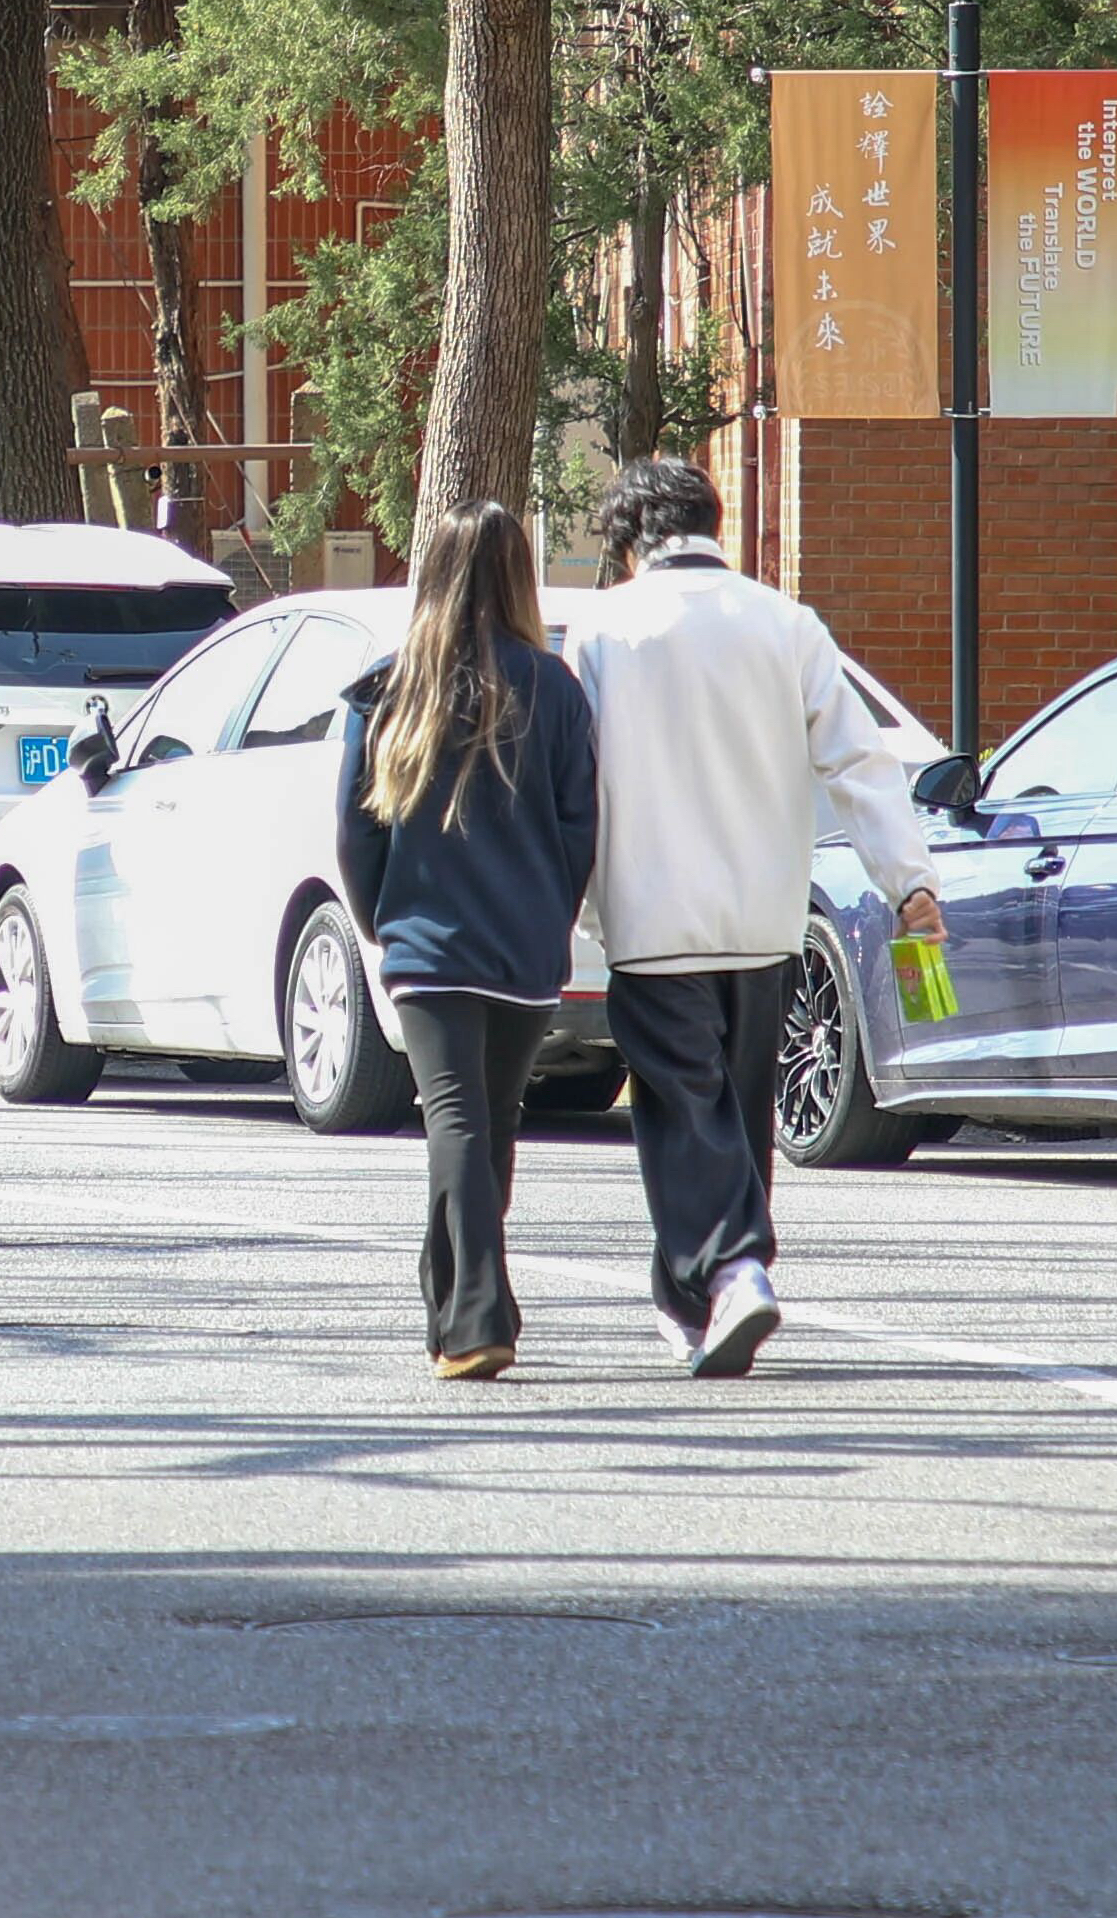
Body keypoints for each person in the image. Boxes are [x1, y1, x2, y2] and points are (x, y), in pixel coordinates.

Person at [550, 458, 943, 1376]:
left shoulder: (604, 627)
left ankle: (733, 1270)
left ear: (627, 542)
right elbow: (859, 761)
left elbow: (574, 780)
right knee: (739, 1109)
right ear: (709, 523)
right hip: (764, 912)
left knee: (684, 1109)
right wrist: (908, 881)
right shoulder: (786, 622)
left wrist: (561, 906)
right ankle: (692, 1300)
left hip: (652, 912)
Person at [333, 501, 605, 1378]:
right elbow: (577, 827)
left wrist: (383, 921)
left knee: (455, 1120)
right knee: (491, 1124)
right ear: (519, 576)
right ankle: (450, 1297)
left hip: (427, 938)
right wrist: (549, 915)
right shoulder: (555, 686)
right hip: (523, 942)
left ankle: (479, 1312)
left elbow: (354, 828)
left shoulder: (389, 683)